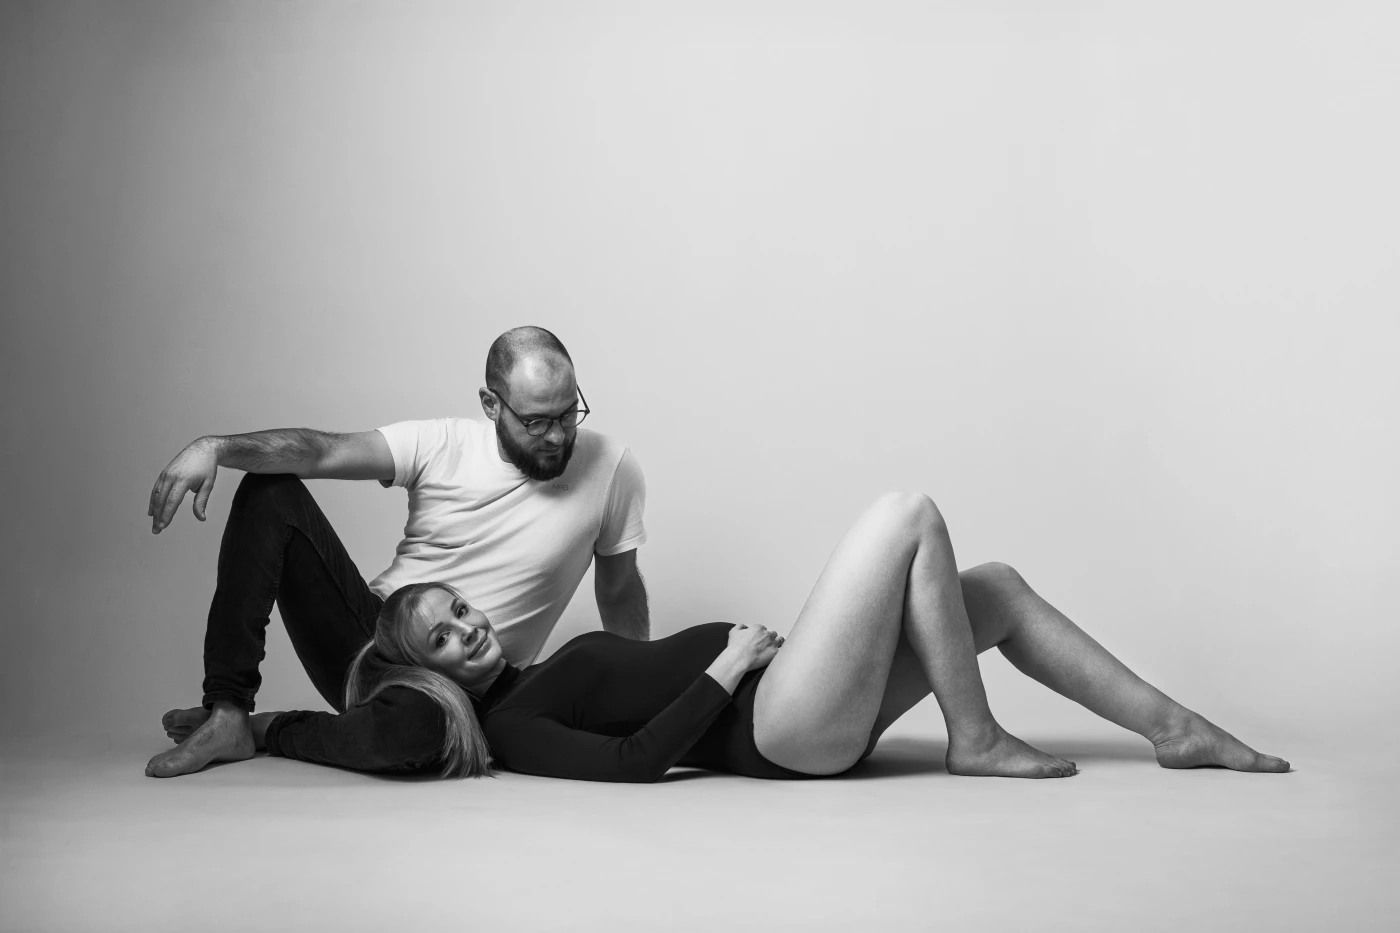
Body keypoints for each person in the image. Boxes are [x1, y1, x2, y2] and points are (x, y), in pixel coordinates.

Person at [159, 492, 1290, 781]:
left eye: (458, 608)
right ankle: (976, 737)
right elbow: (632, 762)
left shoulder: (535, 667)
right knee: (907, 515)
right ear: (433, 678)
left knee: (989, 588)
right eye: (448, 639)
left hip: (792, 697)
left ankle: (1175, 728)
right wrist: (730, 665)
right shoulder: (515, 723)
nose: (469, 625)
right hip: (775, 726)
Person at [145, 326, 649, 778]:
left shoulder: (611, 469)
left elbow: (620, 589)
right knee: (269, 491)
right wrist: (215, 448)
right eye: (536, 422)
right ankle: (229, 712)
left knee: (419, 732)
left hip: (466, 684)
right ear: (491, 404)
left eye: (568, 414)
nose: (557, 436)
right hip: (370, 644)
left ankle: (264, 729)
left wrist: (635, 698)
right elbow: (322, 450)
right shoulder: (440, 444)